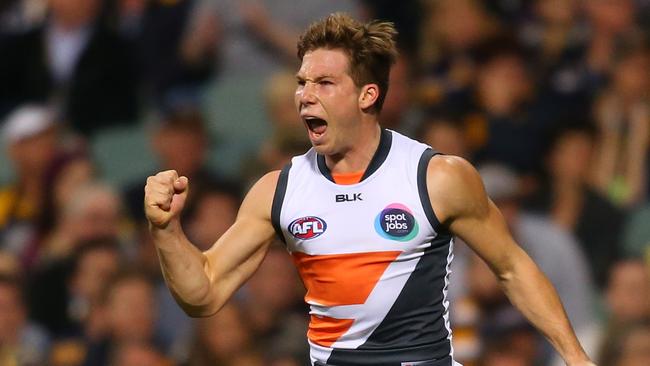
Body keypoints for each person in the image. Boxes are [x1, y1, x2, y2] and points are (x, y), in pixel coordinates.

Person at [144, 13, 595, 366]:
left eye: (323, 83)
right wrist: (166, 231)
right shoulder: (277, 191)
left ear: (366, 95)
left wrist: (575, 357)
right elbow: (203, 295)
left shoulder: (436, 178)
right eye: (302, 82)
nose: (304, 95)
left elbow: (513, 268)